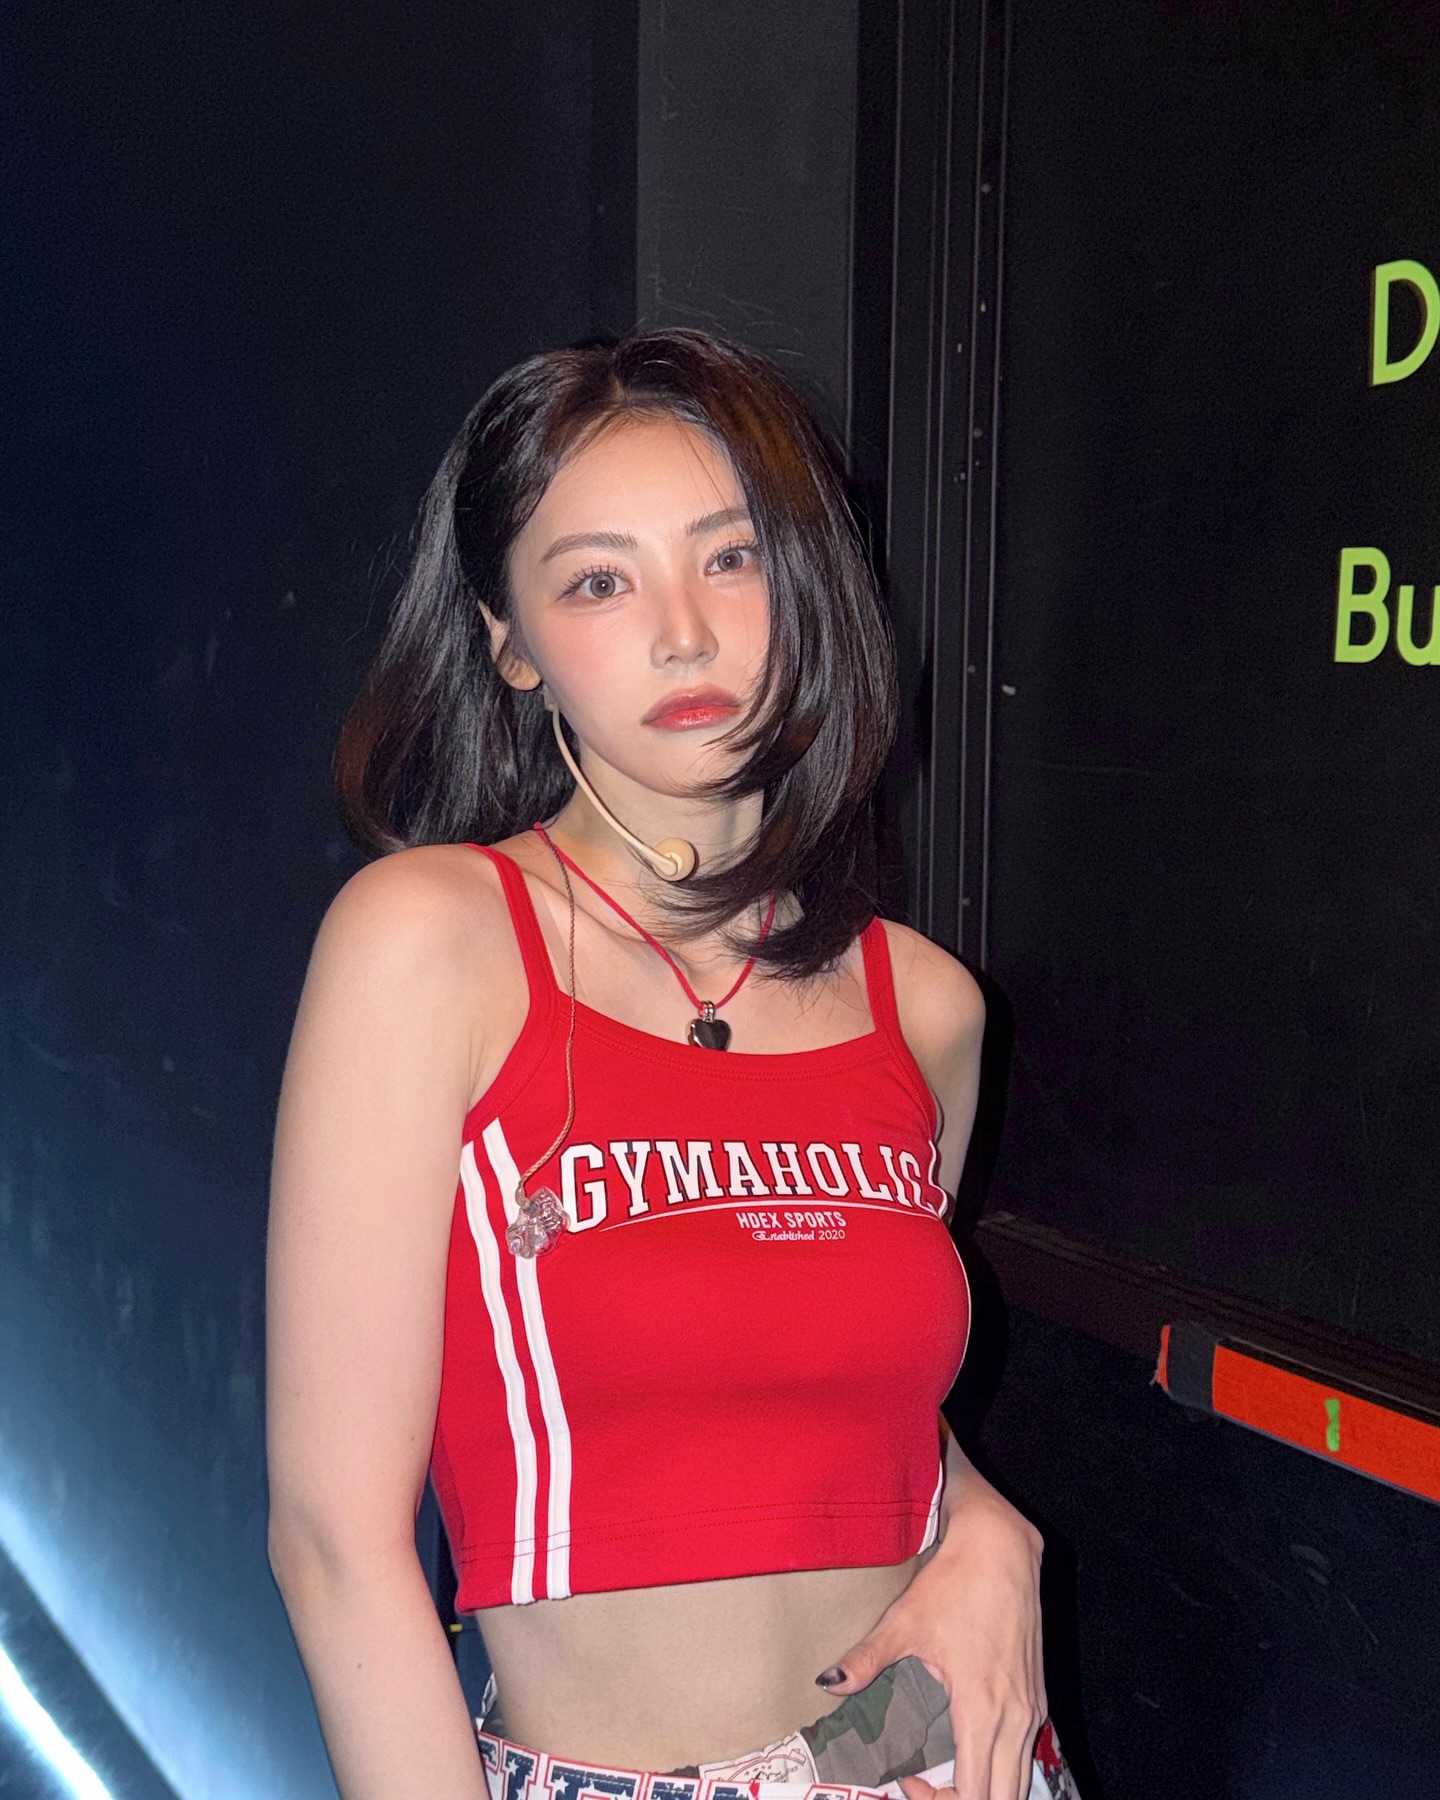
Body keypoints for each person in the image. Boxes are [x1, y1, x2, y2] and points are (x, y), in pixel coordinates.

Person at [265, 330, 1081, 1800]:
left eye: (731, 559)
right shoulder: (431, 945)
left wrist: (982, 1529)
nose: (685, 634)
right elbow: (334, 1542)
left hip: (932, 1758)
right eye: (599, 581)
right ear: (510, 639)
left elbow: (826, 1372)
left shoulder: (925, 1007)